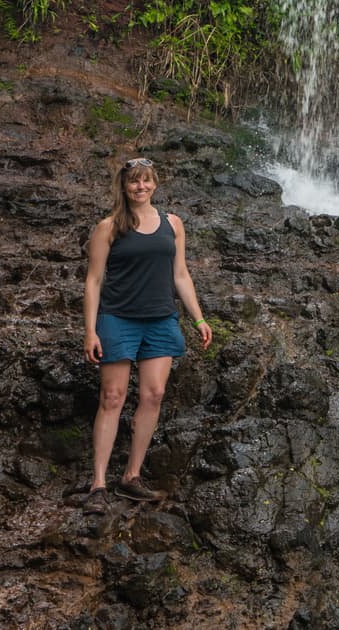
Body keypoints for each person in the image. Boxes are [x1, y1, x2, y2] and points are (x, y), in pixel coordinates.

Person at [82, 155, 212, 510]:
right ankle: (97, 484)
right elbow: (93, 281)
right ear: (123, 187)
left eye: (146, 181)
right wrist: (90, 330)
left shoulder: (173, 224)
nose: (140, 187)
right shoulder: (109, 227)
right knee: (112, 396)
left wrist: (198, 319)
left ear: (155, 183)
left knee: (153, 394)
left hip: (160, 319)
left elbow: (181, 274)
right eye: (134, 181)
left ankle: (131, 477)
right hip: (118, 319)